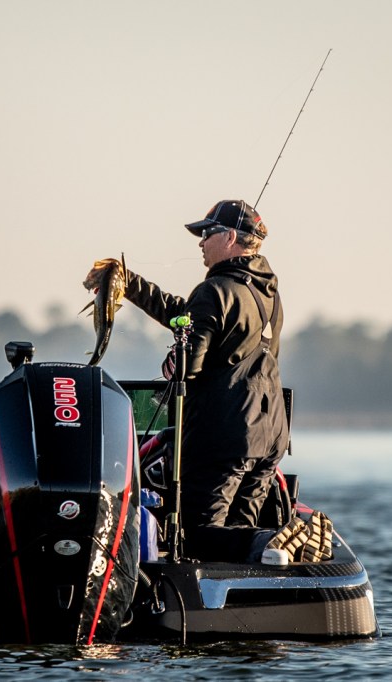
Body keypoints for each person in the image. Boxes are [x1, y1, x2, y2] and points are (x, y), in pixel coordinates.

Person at [91, 199, 289, 541]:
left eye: (207, 233)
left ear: (229, 237)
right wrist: (130, 283)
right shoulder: (267, 294)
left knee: (200, 534)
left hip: (226, 436)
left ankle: (266, 546)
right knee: (241, 532)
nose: (201, 242)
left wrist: (175, 363)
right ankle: (272, 548)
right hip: (271, 435)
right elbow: (191, 316)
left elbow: (187, 366)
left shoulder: (215, 290)